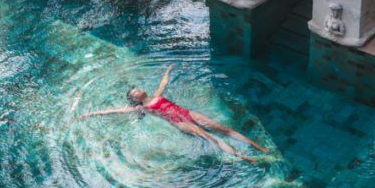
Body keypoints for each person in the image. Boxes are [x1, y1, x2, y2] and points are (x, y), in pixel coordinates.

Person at [79, 65, 269, 163]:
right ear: (135, 99)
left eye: (137, 88)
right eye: (134, 92)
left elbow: (163, 83)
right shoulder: (141, 108)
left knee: (223, 129)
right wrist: (92, 114)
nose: (138, 90)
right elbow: (116, 111)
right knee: (211, 137)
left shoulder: (156, 94)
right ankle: (242, 157)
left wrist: (168, 70)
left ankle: (258, 147)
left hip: (187, 113)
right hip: (178, 121)